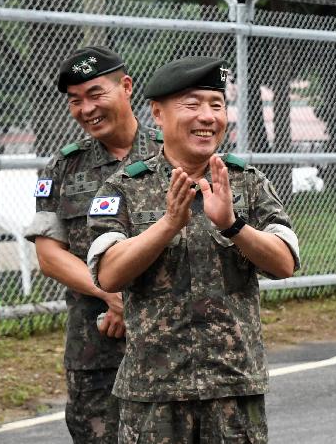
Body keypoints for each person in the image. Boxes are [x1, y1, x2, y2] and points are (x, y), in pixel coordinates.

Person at [86, 56, 300, 443]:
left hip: (233, 387)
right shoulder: (124, 188)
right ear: (157, 113)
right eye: (192, 105)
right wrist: (167, 225)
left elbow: (285, 262)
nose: (207, 117)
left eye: (216, 105)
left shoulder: (248, 183)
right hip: (154, 392)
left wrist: (233, 226)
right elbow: (109, 273)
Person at [23, 46, 162, 443]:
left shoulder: (173, 152)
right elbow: (50, 255)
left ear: (127, 87)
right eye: (75, 100)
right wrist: (110, 292)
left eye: (96, 94)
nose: (87, 108)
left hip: (170, 344)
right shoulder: (63, 167)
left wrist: (129, 298)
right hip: (95, 348)